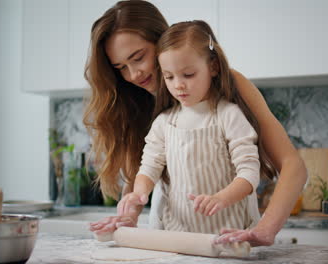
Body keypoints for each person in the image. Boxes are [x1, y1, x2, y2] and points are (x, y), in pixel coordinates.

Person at [85, 0, 307, 246]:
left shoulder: (229, 88)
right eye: (121, 68)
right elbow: (143, 173)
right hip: (170, 235)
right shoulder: (135, 99)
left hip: (229, 232)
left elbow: (292, 165)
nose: (133, 74)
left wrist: (265, 229)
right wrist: (128, 215)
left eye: (138, 58)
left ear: (162, 40)